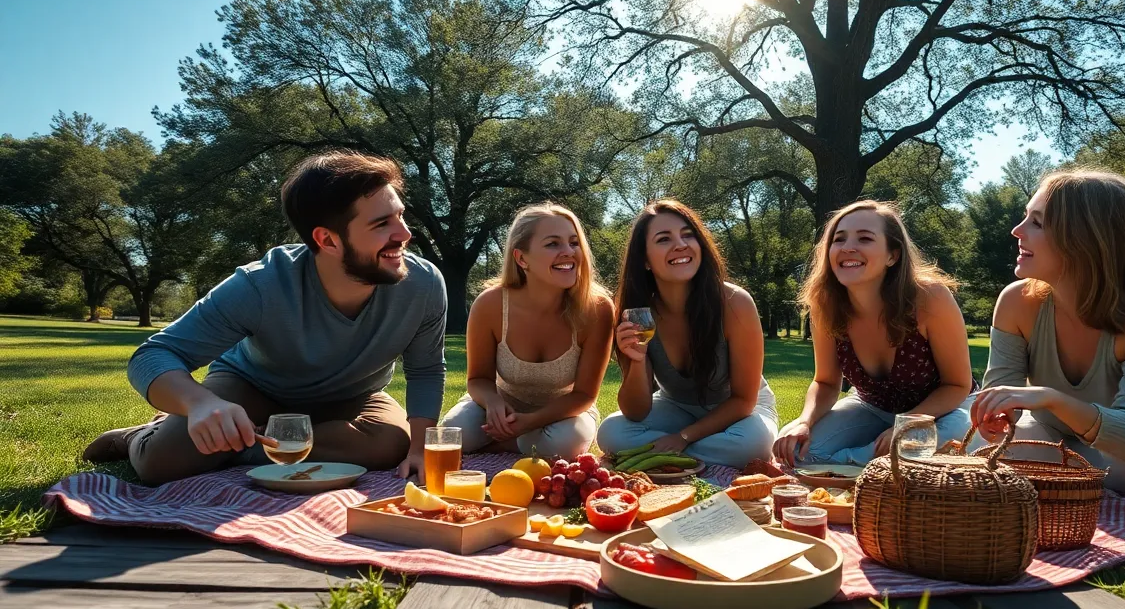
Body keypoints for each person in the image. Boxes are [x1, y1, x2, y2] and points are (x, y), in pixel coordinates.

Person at [82, 150, 447, 485]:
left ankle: (243, 445)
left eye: (400, 215)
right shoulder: (260, 285)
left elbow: (426, 370)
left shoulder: (425, 284)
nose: (405, 233)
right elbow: (152, 356)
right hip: (253, 389)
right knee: (163, 464)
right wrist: (201, 404)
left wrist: (419, 449)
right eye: (382, 224)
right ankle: (140, 436)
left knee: (389, 445)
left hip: (354, 396)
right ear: (329, 240)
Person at [969, 168, 1125, 493]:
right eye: (1026, 217)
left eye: (1038, 223)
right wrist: (998, 417)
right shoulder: (1017, 301)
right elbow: (1002, 391)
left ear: (1085, 240)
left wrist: (1053, 399)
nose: (1017, 230)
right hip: (1059, 431)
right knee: (983, 456)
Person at [773, 200, 975, 467]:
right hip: (871, 407)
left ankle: (858, 467)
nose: (848, 248)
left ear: (893, 255)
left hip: (945, 411)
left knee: (953, 434)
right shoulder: (825, 305)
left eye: (865, 238)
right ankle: (865, 466)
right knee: (798, 453)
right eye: (839, 239)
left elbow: (957, 385)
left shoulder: (929, 297)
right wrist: (804, 421)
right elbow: (825, 382)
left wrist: (907, 425)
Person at [596, 200, 776, 468]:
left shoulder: (735, 303)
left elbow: (743, 400)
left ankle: (664, 456)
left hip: (740, 411)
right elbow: (636, 412)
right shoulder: (637, 313)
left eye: (688, 235)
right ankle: (691, 456)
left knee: (754, 444)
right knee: (611, 432)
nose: (680, 245)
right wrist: (635, 360)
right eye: (664, 239)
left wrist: (682, 437)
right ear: (645, 259)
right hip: (676, 407)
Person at [440, 203, 614, 460]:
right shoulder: (490, 304)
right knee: (452, 434)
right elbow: (478, 380)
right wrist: (493, 403)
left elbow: (584, 395)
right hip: (504, 405)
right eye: (553, 244)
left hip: (564, 413)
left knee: (567, 443)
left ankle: (504, 445)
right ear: (522, 258)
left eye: (574, 243)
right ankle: (526, 445)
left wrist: (531, 421)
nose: (569, 252)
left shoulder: (597, 309)